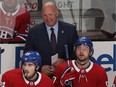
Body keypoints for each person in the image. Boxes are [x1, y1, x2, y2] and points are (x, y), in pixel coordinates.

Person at [24, 1, 78, 77]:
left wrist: (65, 62)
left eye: (50, 14)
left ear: (57, 13)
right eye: (45, 15)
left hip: (64, 75)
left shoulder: (70, 30)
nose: (48, 18)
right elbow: (27, 55)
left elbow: (77, 53)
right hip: (42, 78)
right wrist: (40, 67)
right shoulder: (34, 32)